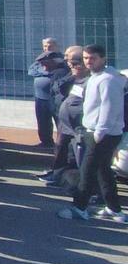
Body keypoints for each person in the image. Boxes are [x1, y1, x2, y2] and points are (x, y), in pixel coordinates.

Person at [61, 44, 126, 222]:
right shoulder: (97, 77)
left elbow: (108, 108)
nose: (88, 62)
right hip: (97, 131)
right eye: (86, 58)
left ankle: (80, 207)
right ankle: (114, 209)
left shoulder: (108, 80)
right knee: (103, 170)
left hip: (102, 133)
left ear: (103, 59)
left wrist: (99, 132)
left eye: (93, 58)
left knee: (87, 171)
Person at [40, 46, 87, 185]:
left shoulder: (86, 80)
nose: (67, 62)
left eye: (73, 61)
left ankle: (83, 184)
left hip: (78, 126)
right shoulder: (70, 74)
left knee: (77, 154)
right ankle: (59, 174)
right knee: (61, 149)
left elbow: (63, 88)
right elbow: (58, 87)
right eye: (67, 58)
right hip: (65, 121)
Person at [28, 39, 65, 147]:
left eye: (50, 46)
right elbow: (31, 71)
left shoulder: (61, 59)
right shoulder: (40, 59)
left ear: (56, 46)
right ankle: (46, 142)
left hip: (55, 98)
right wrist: (46, 71)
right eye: (45, 46)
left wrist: (46, 72)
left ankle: (62, 144)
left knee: (60, 122)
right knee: (43, 122)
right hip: (40, 97)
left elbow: (62, 73)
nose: (47, 48)